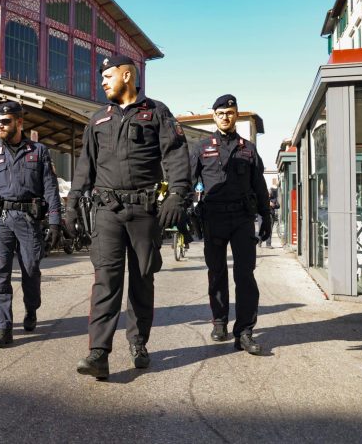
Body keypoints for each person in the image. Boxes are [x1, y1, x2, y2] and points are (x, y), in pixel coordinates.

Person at [65, 55, 190, 379]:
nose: (103, 82)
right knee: (105, 280)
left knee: (142, 279)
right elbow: (85, 166)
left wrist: (177, 195)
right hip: (107, 210)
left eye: (108, 75)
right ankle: (98, 353)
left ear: (127, 75)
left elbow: (176, 155)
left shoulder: (157, 113)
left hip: (144, 211)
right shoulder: (97, 120)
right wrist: (71, 204)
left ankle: (138, 342)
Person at [0, 101, 62, 348]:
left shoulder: (39, 151)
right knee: (0, 274)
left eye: (6, 122)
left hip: (28, 220)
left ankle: (31, 309)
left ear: (19, 123)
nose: (0, 126)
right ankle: (3, 328)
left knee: (30, 271)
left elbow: (51, 188)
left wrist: (54, 221)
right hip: (1, 221)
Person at [190, 94, 270, 355]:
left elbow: (259, 185)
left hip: (242, 219)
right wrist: (183, 212)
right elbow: (188, 182)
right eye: (221, 113)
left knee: (245, 275)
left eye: (230, 112)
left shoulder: (248, 148)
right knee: (217, 272)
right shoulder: (201, 148)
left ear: (236, 116)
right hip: (213, 218)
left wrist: (266, 216)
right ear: (214, 116)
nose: (226, 116)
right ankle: (220, 321)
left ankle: (245, 331)